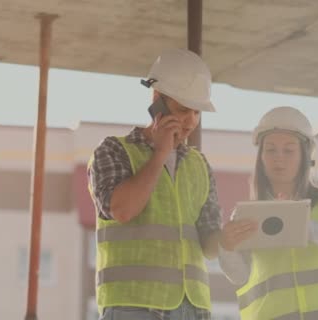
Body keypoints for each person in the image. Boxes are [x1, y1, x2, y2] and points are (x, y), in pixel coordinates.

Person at [88, 48, 223, 320]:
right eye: (183, 109)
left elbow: (209, 245)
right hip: (134, 306)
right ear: (157, 101)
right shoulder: (113, 150)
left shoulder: (199, 165)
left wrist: (231, 237)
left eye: (196, 112)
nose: (190, 121)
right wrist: (160, 153)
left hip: (192, 309)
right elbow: (123, 210)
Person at [219, 106, 318, 320]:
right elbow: (239, 275)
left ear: (305, 155)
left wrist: (309, 228)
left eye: (289, 150)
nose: (279, 158)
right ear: (261, 156)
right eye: (271, 149)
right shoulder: (246, 214)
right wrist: (226, 247)